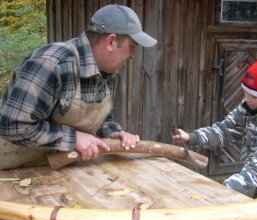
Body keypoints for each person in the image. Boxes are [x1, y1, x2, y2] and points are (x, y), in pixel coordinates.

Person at [0, 4, 157, 169]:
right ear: (111, 41)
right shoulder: (52, 63)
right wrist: (73, 138)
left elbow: (96, 117)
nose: (132, 56)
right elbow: (12, 125)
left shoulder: (107, 72)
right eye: (131, 47)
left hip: (54, 167)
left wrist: (112, 132)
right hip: (9, 169)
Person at [172, 59, 257, 198]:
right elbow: (226, 130)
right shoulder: (249, 106)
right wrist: (192, 137)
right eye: (245, 92)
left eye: (254, 96)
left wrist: (225, 188)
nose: (246, 99)